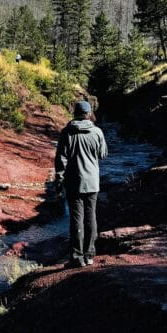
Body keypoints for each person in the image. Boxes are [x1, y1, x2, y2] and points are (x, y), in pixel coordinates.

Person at [54, 101, 108, 267]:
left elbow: (60, 160)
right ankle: (89, 254)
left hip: (73, 182)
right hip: (92, 182)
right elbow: (103, 154)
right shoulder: (97, 131)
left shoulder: (66, 133)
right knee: (91, 217)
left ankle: (77, 258)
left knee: (76, 218)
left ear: (74, 112)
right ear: (89, 113)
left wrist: (59, 181)